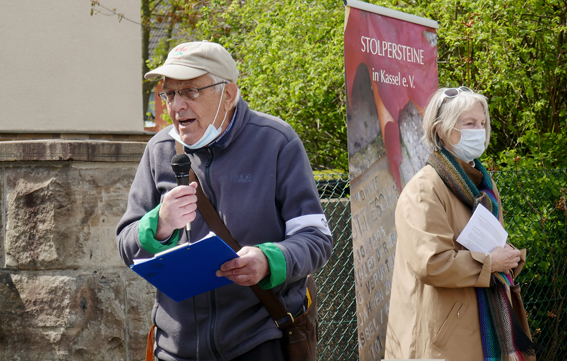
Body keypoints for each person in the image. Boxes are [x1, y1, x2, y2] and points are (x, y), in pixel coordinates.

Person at [116, 41, 332, 361]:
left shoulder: (276, 142)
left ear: (228, 95)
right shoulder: (159, 150)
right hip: (175, 349)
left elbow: (317, 239)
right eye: (170, 93)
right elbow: (125, 243)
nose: (177, 105)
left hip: (258, 342)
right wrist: (159, 223)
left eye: (190, 91)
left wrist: (268, 259)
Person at [384, 87, 537, 360]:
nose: (479, 130)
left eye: (482, 123)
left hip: (477, 327)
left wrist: (506, 255)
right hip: (440, 341)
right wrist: (490, 263)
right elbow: (431, 263)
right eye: (469, 123)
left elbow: (489, 244)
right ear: (441, 130)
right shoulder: (424, 188)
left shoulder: (483, 185)